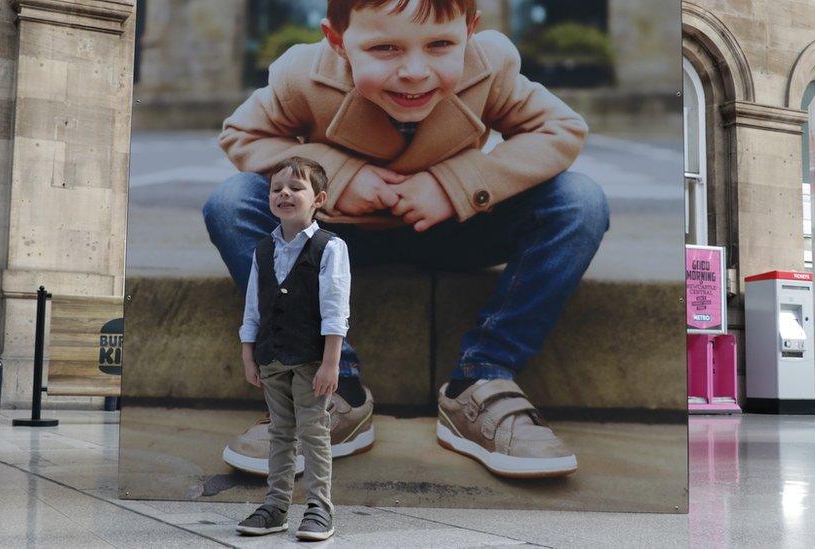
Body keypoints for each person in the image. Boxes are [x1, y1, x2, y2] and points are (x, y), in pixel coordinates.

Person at [205, 0, 609, 479]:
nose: (415, 71)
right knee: (234, 202)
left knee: (579, 200)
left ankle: (482, 378)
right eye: (384, 48)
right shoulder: (303, 73)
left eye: (440, 45)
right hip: (338, 237)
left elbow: (560, 128)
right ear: (337, 41)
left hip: (456, 230)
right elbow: (244, 134)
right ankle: (332, 387)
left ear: (470, 32)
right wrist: (338, 177)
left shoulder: (490, 63)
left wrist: (453, 184)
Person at [233, 157, 348, 541]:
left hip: (311, 359)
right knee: (280, 433)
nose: (284, 193)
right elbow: (254, 307)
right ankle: (276, 505)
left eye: (296, 188)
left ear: (318, 199)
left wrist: (331, 363)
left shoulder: (330, 248)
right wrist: (250, 353)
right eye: (276, 188)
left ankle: (319, 508)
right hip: (271, 358)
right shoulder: (262, 250)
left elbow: (335, 310)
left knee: (314, 432)